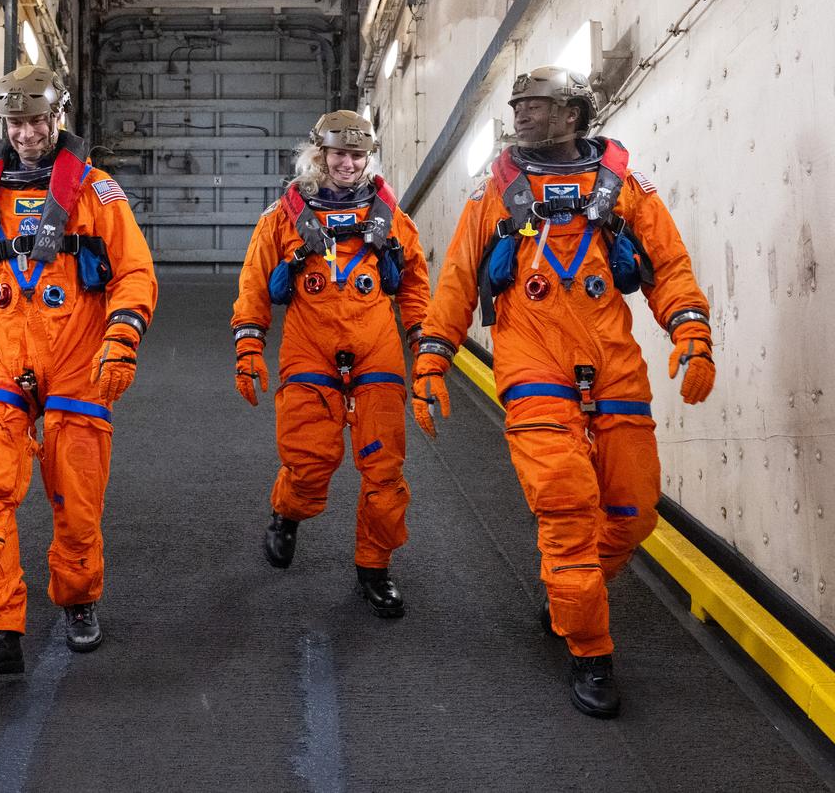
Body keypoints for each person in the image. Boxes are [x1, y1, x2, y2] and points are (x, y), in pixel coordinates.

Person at [411, 66, 715, 718]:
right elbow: (460, 280)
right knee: (567, 506)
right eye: (517, 105)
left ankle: (568, 590)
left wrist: (691, 331)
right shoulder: (494, 194)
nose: (521, 113)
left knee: (632, 510)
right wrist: (432, 357)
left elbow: (667, 266)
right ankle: (590, 648)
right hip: (532, 359)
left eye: (536, 105)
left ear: (573, 114)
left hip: (613, 363)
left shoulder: (625, 187)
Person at [0, 65, 157, 675]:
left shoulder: (95, 191)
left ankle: (79, 600)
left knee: (76, 495)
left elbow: (134, 271)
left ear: (57, 119)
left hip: (76, 352)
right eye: (15, 123)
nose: (25, 134)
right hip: (0, 350)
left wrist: (122, 336)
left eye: (35, 121)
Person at [230, 111, 430, 618]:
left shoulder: (391, 219)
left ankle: (374, 567)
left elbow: (414, 286)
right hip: (309, 343)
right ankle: (287, 511)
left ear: (369, 159)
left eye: (357, 155)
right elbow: (255, 284)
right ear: (319, 156)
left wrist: (425, 348)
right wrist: (249, 346)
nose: (347, 163)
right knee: (310, 461)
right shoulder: (282, 217)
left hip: (375, 345)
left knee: (385, 469)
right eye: (338, 154)